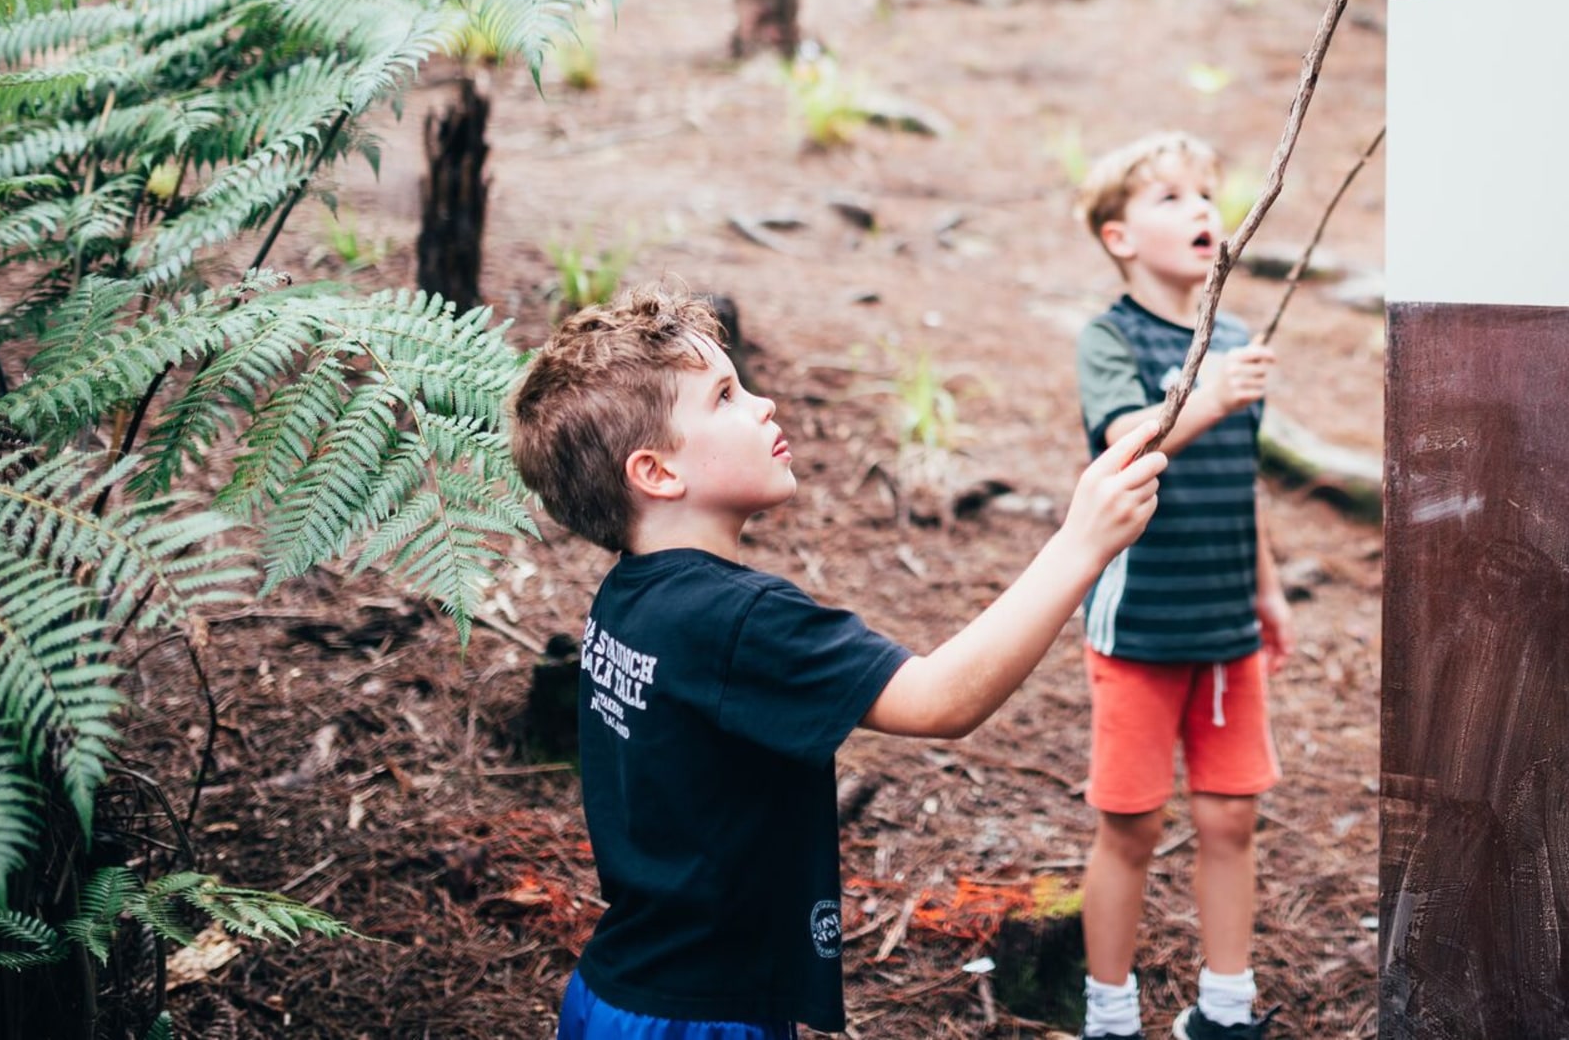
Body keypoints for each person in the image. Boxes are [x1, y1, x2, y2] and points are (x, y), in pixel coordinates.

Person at [510, 287, 1166, 1039]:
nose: (763, 404)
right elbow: (940, 700)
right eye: (724, 396)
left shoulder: (627, 597)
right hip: (703, 1018)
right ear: (656, 472)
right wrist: (1080, 544)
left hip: (612, 993)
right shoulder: (736, 618)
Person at [1072, 133, 1292, 1040]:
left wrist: (1268, 590)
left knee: (1230, 817)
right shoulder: (1108, 337)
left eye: (1208, 194)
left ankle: (1226, 1009)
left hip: (1224, 624)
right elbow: (1128, 440)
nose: (1202, 209)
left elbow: (1239, 480)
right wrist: (1210, 393)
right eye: (1171, 198)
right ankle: (1111, 1013)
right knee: (1129, 824)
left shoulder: (1233, 339)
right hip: (1141, 629)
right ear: (1119, 236)